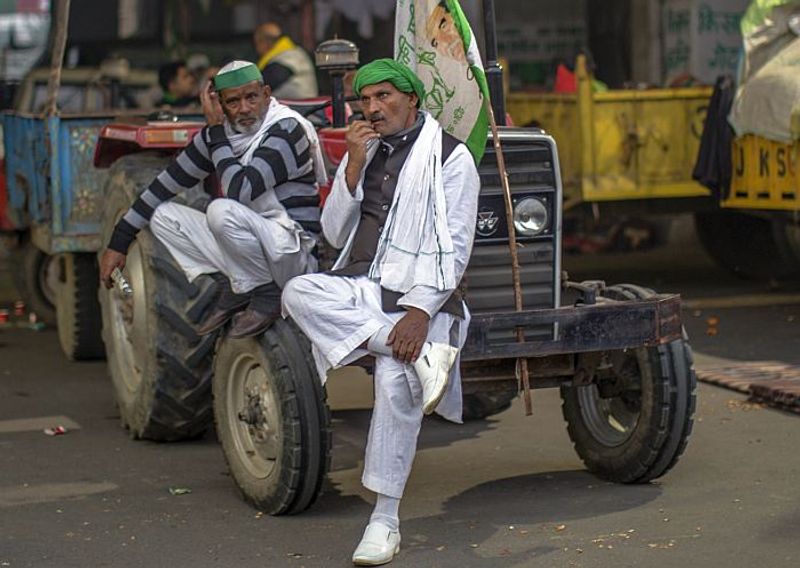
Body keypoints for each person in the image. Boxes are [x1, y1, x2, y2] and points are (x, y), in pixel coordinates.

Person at [282, 59, 480, 565]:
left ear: (412, 99)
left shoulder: (451, 158)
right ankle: (414, 355)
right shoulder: (365, 152)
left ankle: (384, 520)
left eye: (384, 96)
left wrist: (418, 313)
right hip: (363, 287)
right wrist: (351, 165)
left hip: (421, 296)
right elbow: (331, 233)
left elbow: (454, 249)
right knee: (299, 291)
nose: (372, 108)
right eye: (364, 101)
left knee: (393, 379)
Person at [100, 60, 328, 338]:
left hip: (293, 252)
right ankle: (239, 284)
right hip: (256, 248)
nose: (244, 108)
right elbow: (165, 185)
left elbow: (239, 190)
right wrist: (119, 241)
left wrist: (217, 133)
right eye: (233, 102)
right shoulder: (218, 136)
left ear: (267, 94)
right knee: (163, 215)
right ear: (218, 103)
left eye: (251, 97)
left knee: (221, 211)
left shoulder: (287, 130)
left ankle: (266, 295)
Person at [253, 22, 318, 99]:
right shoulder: (291, 52)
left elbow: (265, 82)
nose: (256, 49)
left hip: (300, 106)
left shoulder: (288, 56)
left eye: (256, 44)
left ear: (264, 42)